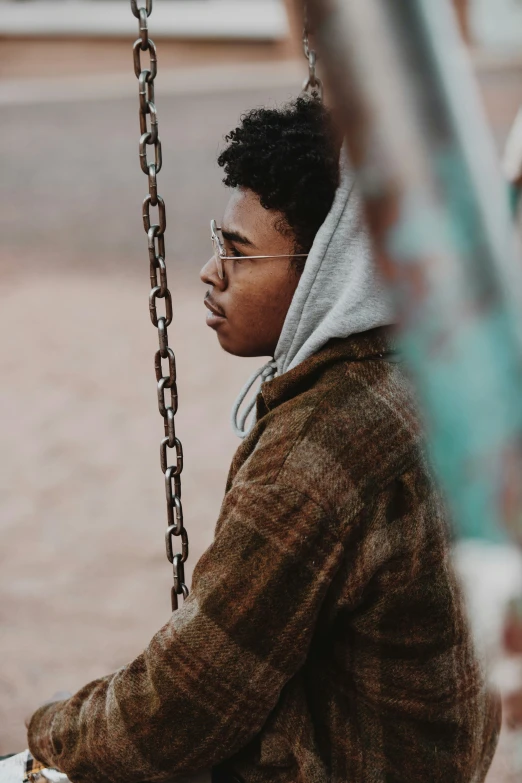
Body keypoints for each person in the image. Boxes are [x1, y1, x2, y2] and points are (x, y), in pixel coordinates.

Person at [27, 97, 499, 783]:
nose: (210, 273)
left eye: (240, 252)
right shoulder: (426, 372)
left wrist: (46, 736)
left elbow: (184, 703)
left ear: (329, 274)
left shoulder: (320, 447)